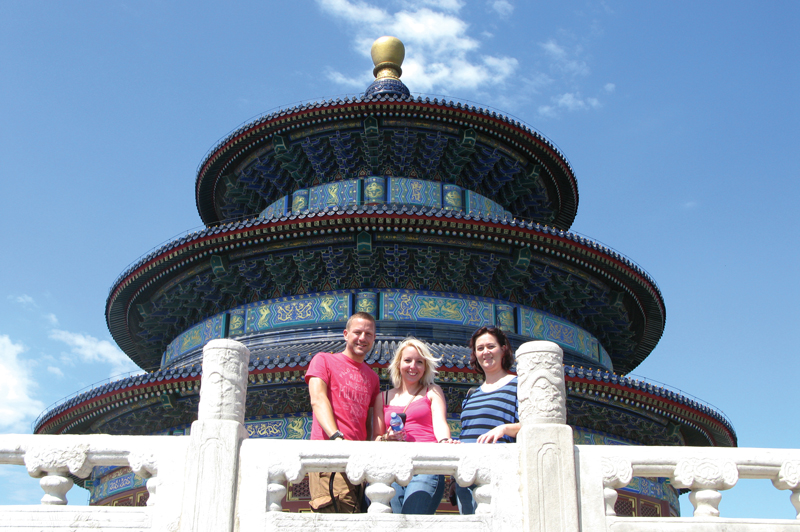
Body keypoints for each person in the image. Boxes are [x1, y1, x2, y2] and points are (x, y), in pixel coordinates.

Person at [305, 312, 381, 513]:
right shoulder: (323, 361)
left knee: (355, 515)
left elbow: (368, 421)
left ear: (374, 338)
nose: (362, 338)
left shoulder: (372, 378)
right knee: (336, 513)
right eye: (357, 332)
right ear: (346, 334)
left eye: (368, 334)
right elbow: (318, 399)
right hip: (330, 455)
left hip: (357, 460)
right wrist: (336, 437)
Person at [372, 337, 455, 514]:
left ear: (425, 367)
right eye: (408, 360)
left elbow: (440, 423)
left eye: (419, 362)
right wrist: (388, 438)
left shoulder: (432, 391)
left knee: (413, 515)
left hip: (425, 466)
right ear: (398, 364)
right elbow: (376, 437)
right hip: (392, 469)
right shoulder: (383, 397)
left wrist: (445, 440)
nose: (413, 366)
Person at [455, 326, 520, 514]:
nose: (485, 352)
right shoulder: (472, 394)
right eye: (480, 348)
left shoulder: (518, 385)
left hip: (496, 471)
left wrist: (505, 429)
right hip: (465, 475)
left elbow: (535, 426)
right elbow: (465, 432)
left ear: (503, 349)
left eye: (491, 346)